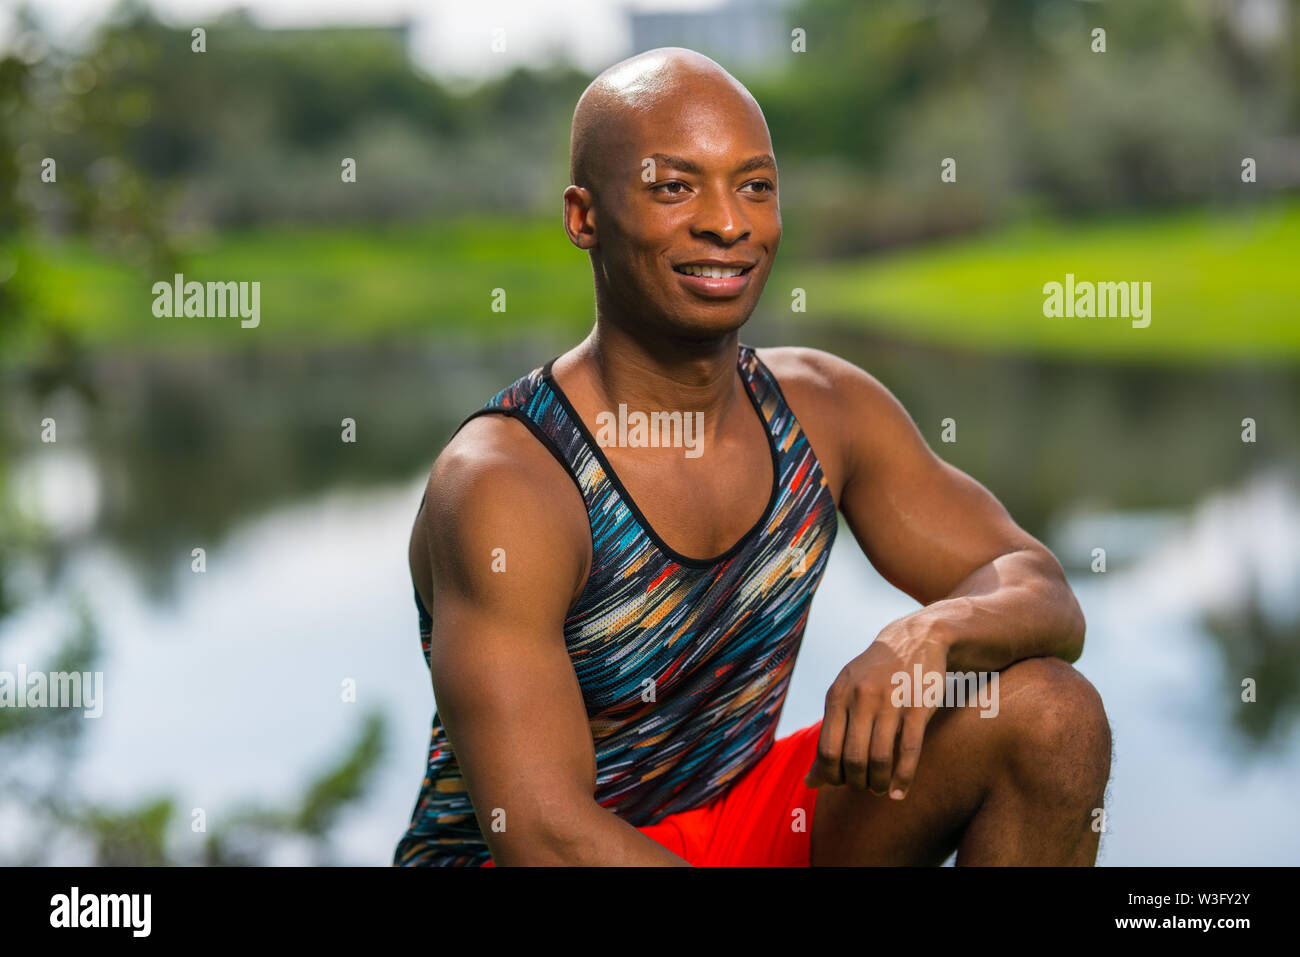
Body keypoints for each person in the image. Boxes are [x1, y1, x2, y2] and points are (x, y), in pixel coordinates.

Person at [393, 47, 1111, 867]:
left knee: (1052, 717)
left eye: (755, 186)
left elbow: (1041, 587)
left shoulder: (825, 409)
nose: (727, 223)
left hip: (735, 826)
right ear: (583, 217)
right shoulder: (508, 483)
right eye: (674, 186)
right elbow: (545, 837)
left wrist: (932, 634)